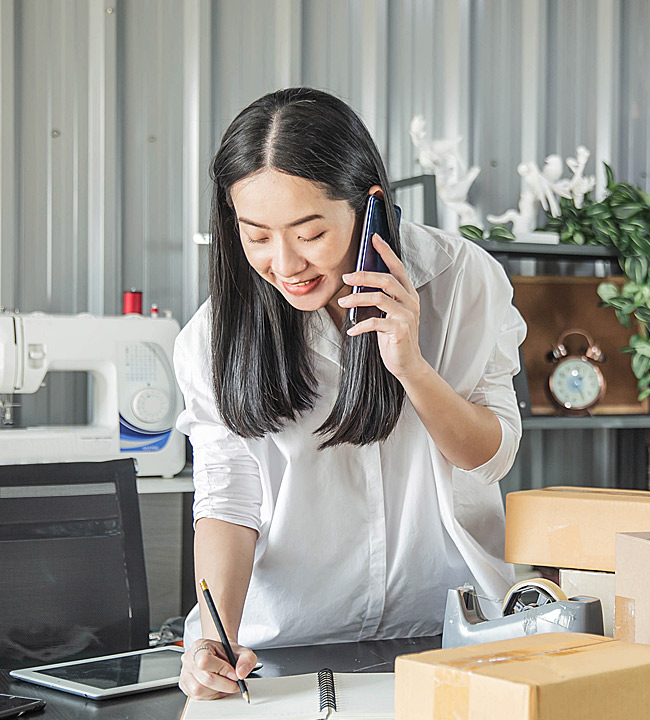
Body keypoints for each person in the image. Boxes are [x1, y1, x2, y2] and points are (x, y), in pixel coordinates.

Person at [175, 88, 525, 700]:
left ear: (369, 207)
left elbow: (488, 456)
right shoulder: (211, 337)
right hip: (286, 648)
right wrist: (213, 638)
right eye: (256, 237)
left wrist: (412, 365)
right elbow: (228, 497)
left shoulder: (462, 279)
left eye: (310, 233)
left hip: (449, 630)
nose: (284, 263)